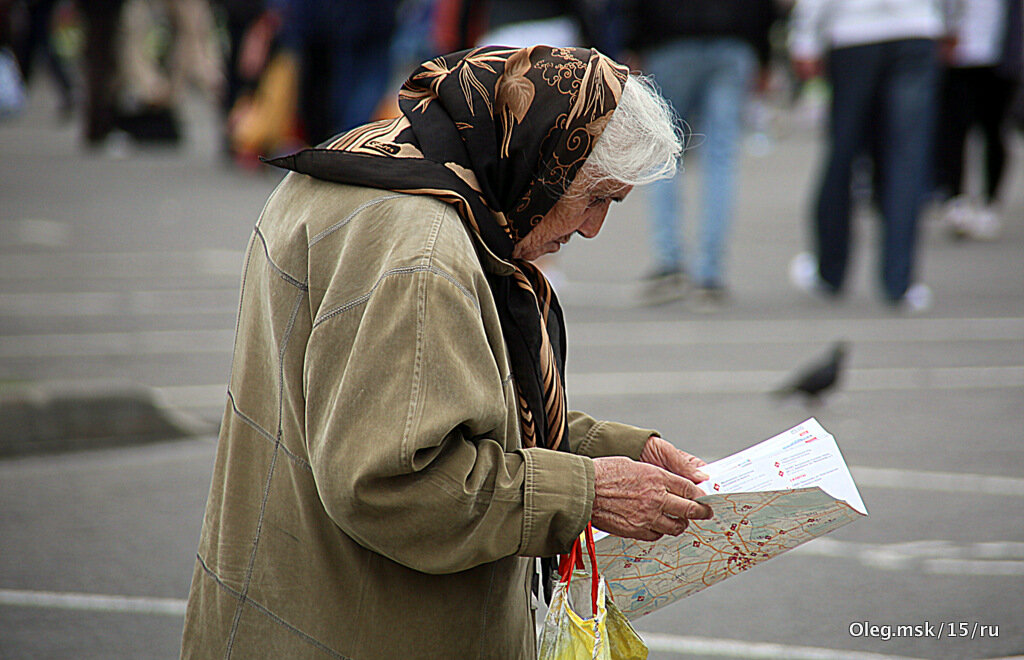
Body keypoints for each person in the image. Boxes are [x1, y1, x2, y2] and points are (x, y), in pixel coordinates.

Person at [180, 45, 713, 658]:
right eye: (598, 198)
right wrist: (589, 491)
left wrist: (617, 450)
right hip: (357, 629)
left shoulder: (382, 164)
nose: (593, 228)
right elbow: (394, 483)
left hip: (285, 604)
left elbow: (435, 396)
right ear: (542, 159)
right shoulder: (424, 250)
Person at [787, 0, 950, 312]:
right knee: (906, 160)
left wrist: (804, 37)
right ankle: (899, 282)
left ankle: (830, 273)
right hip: (915, 28)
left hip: (854, 33)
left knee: (843, 155)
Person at [622, 0, 779, 309]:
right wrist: (763, 54)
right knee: (720, 158)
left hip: (670, 37)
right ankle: (709, 272)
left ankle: (669, 261)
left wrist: (633, 43)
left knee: (662, 152)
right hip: (732, 38)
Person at [934, 0, 1022, 241]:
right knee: (953, 132)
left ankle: (990, 202)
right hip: (957, 61)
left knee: (994, 132)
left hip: (999, 62)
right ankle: (955, 198)